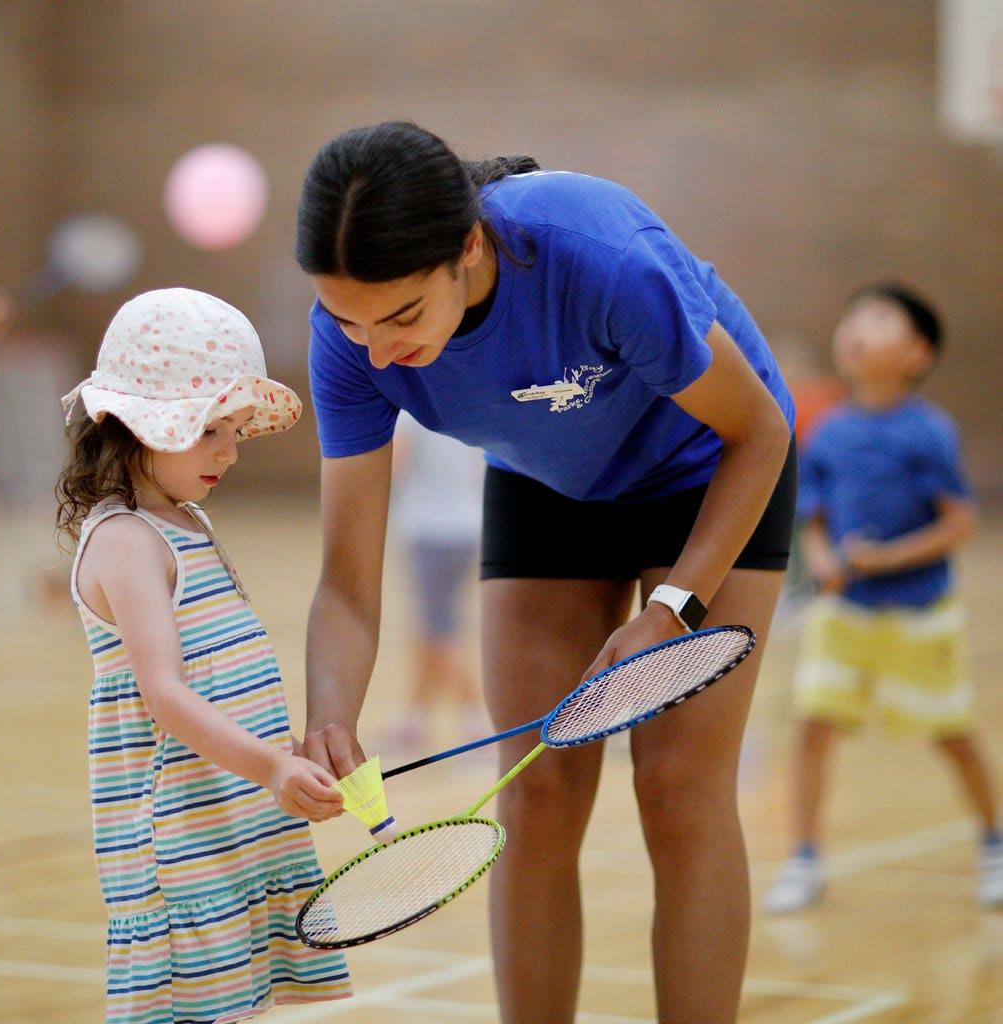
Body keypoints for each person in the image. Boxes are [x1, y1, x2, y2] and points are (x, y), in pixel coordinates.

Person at [295, 121, 796, 1024]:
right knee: (534, 796)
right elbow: (347, 581)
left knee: (677, 792)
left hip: (707, 466)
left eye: (402, 317)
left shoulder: (598, 256)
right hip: (548, 482)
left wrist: (672, 610)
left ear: (467, 247)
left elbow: (758, 431)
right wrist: (330, 717)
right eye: (347, 320)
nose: (375, 351)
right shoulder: (349, 345)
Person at [57, 288, 352, 1023]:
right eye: (208, 429)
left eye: (236, 430)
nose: (229, 450)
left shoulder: (186, 521)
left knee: (242, 1004)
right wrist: (271, 768)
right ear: (135, 424)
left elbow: (224, 680)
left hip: (232, 816)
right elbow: (165, 694)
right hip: (182, 837)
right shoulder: (126, 540)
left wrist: (289, 757)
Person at [762, 283, 1002, 914]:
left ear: (917, 353)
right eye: (852, 318)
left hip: (920, 615)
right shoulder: (829, 433)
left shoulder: (929, 432)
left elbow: (958, 523)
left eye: (878, 319)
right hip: (843, 617)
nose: (855, 328)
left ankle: (994, 843)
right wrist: (822, 558)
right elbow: (812, 516)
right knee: (812, 728)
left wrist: (886, 559)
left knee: (951, 733)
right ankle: (803, 858)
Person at [380, 411, 486, 751]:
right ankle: (415, 717)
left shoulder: (409, 413)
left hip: (432, 529)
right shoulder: (459, 405)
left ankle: (477, 720)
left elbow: (391, 463)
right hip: (465, 523)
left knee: (440, 631)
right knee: (429, 627)